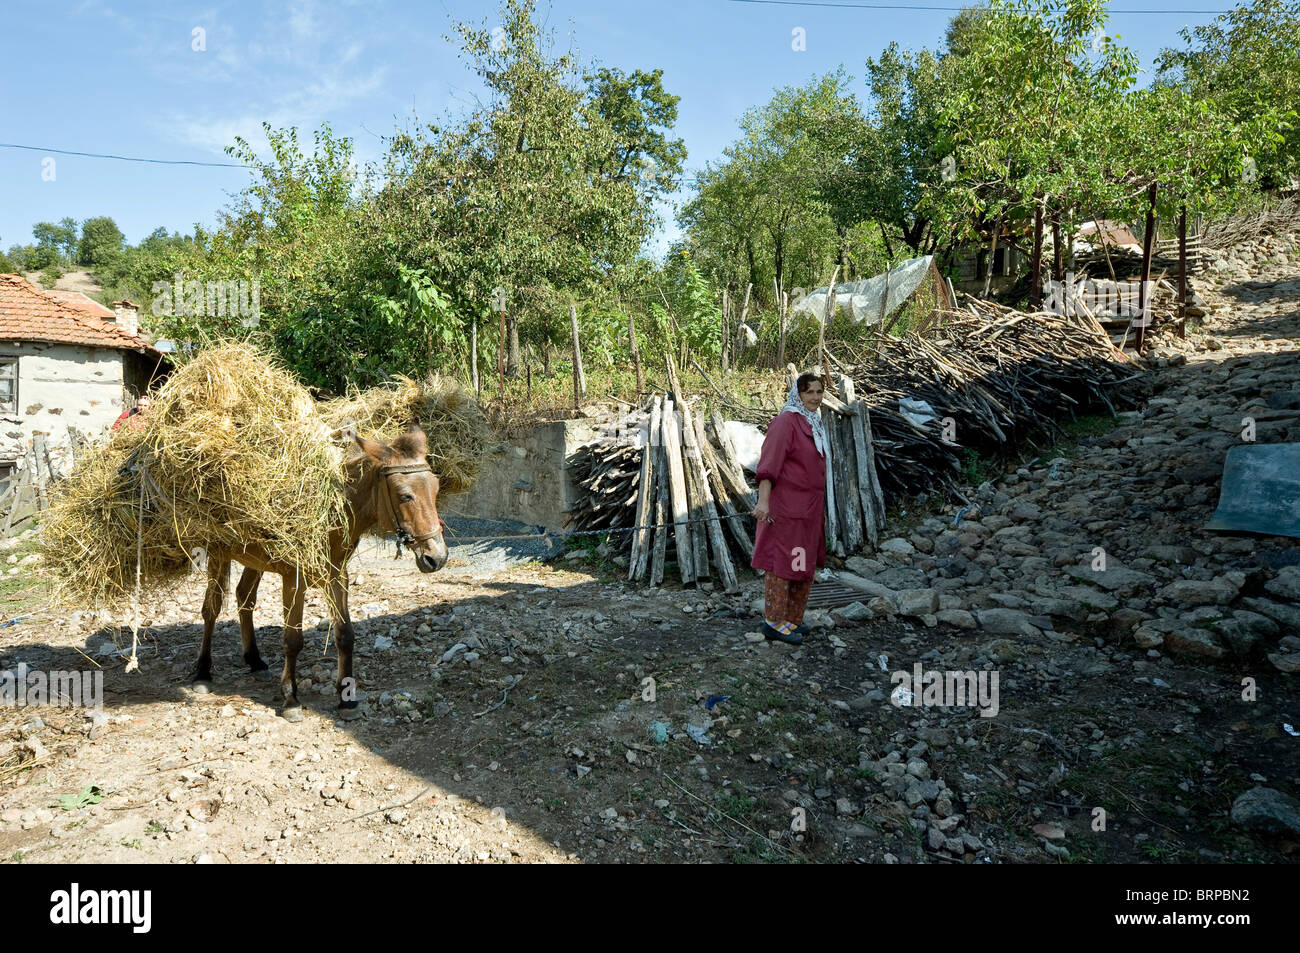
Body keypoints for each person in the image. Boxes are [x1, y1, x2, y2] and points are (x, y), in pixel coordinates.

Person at [750, 371, 827, 645]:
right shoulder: (786, 422)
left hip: (808, 512)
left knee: (801, 561)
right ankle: (773, 622)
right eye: (810, 393)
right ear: (798, 394)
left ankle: (791, 619)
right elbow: (768, 465)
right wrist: (763, 502)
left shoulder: (813, 423)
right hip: (786, 510)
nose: (815, 398)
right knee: (783, 563)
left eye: (819, 392)